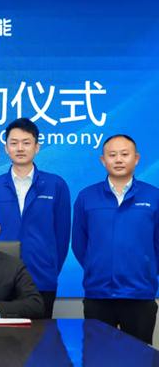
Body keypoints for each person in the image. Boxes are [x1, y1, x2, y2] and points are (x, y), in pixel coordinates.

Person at [72, 134, 159, 344]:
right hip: (98, 294)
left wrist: (146, 270)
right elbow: (79, 244)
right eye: (112, 155)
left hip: (139, 294)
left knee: (139, 356)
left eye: (124, 154)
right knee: (97, 356)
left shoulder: (153, 196)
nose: (118, 159)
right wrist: (97, 266)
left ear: (136, 159)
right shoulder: (86, 197)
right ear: (103, 160)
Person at [0, 118, 70, 318]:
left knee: (41, 334)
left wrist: (50, 267)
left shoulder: (56, 185)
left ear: (37, 147)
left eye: (26, 142)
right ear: (6, 148)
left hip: (41, 277)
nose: (20, 148)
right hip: (0, 279)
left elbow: (62, 236)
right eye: (14, 143)